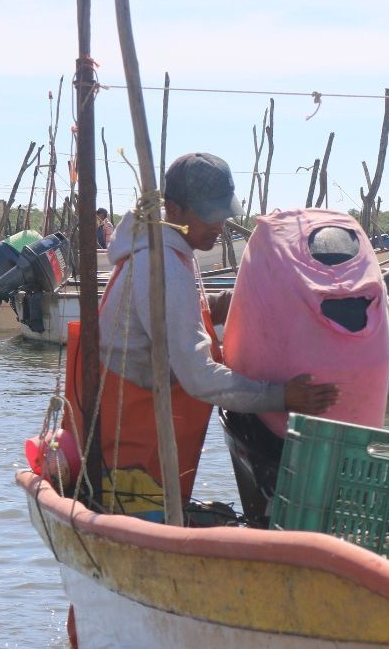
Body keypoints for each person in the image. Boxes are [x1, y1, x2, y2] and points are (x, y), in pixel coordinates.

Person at [65, 152, 338, 522]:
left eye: (224, 214)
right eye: (210, 215)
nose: (219, 226)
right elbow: (198, 377)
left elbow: (170, 313)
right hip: (127, 463)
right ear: (173, 210)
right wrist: (280, 395)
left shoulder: (165, 250)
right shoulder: (161, 267)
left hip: (134, 454)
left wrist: (223, 303)